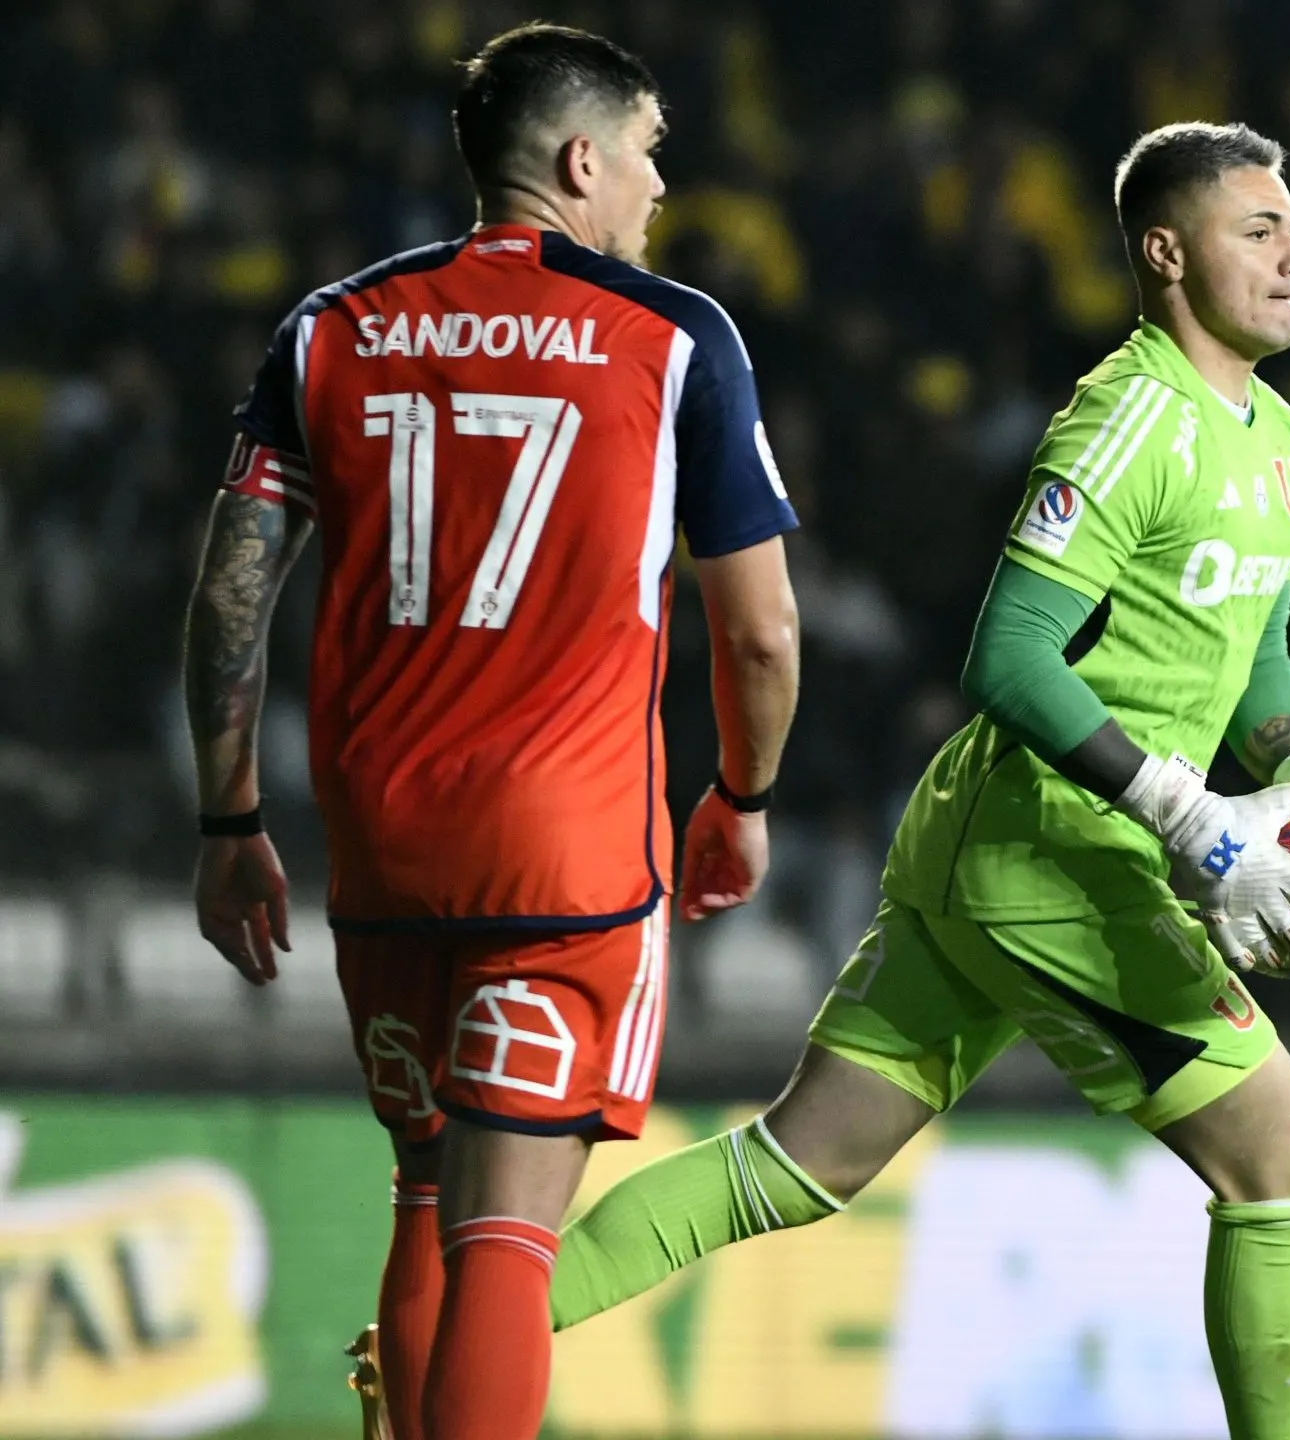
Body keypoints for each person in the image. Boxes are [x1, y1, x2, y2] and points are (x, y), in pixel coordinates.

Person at [541, 121, 1290, 1440]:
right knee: (1280, 1160)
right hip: (1055, 863)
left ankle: (445, 1330)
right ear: (1168, 254)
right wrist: (1195, 818)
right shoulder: (1132, 418)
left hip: (1005, 857)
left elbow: (1253, 651)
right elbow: (1007, 654)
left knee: (798, 1163)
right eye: (1262, 230)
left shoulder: (1276, 439)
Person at [182, 24, 800, 1440]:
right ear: (582, 160)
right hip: (565, 852)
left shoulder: (331, 327)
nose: (657, 190)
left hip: (384, 839)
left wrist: (228, 823)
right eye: (646, 157)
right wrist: (742, 794)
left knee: (421, 1183)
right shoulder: (675, 336)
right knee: (506, 1242)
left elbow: (230, 594)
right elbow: (759, 632)